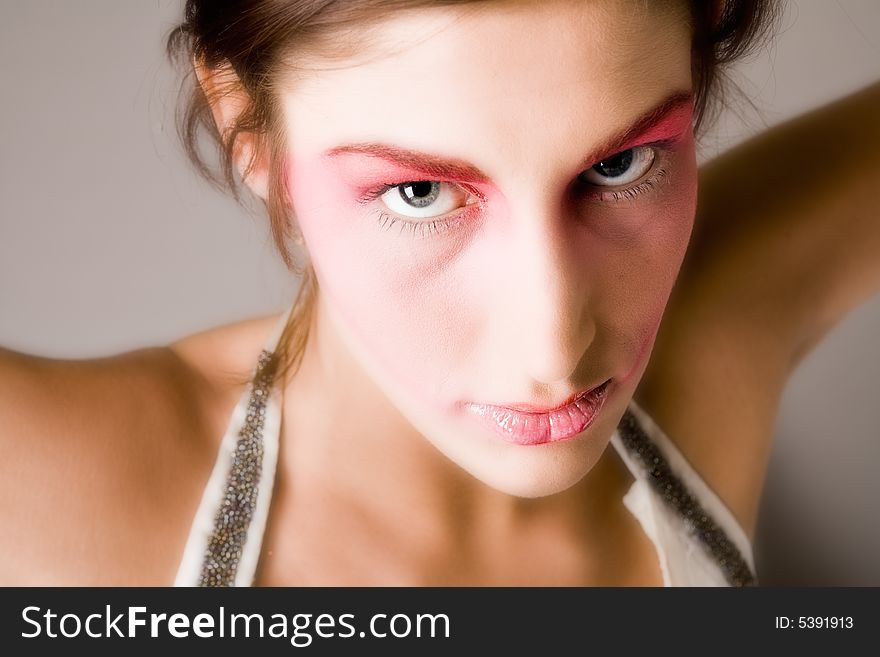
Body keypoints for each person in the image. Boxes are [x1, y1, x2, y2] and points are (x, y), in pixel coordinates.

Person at [1, 0, 878, 587]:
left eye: (620, 165)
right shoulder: (47, 488)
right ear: (248, 131)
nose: (553, 348)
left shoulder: (728, 308)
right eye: (418, 193)